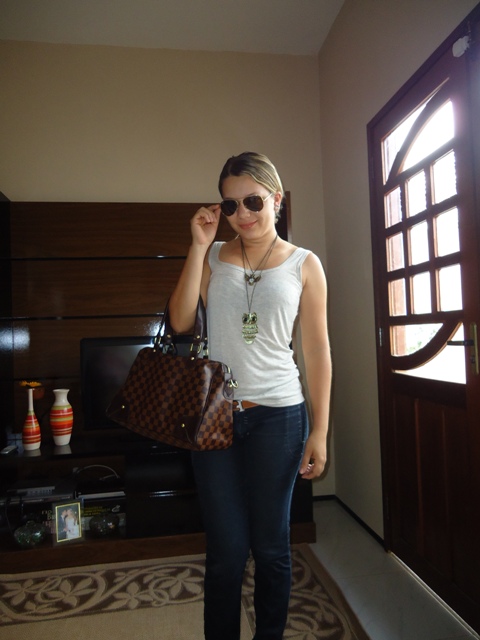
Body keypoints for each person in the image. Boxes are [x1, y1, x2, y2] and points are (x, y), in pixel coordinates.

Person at [169, 151, 331, 640]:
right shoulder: (214, 255)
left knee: (271, 546)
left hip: (279, 417)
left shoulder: (305, 264)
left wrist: (320, 431)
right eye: (231, 204)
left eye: (253, 201)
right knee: (226, 551)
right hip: (214, 416)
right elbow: (180, 320)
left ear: (276, 199)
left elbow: (316, 350)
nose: (242, 214)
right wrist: (198, 245)